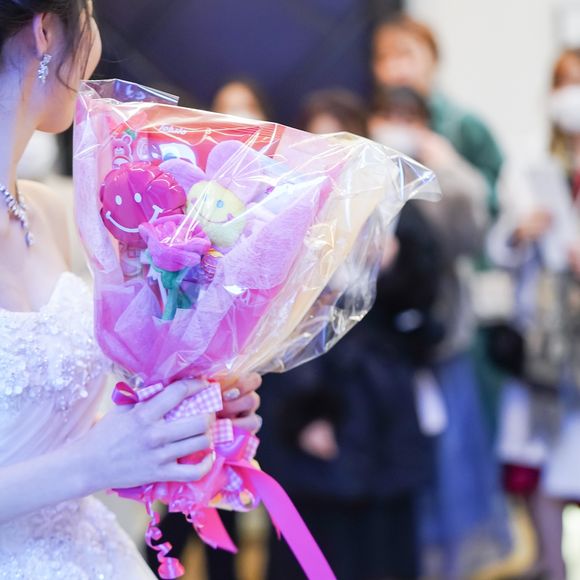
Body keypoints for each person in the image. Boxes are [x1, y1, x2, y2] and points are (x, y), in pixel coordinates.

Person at [0, 2, 261, 578]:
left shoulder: (48, 211)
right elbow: (80, 461)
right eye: (90, 13)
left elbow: (35, 437)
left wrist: (167, 426)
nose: (95, 43)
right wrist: (94, 462)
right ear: (46, 30)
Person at [258, 89, 435, 580]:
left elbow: (426, 307)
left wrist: (394, 268)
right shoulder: (286, 213)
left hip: (384, 400)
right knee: (316, 538)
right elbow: (280, 327)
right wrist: (305, 414)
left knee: (383, 538)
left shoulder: (396, 209)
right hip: (313, 393)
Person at [370, 85, 511, 578]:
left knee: (453, 465)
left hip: (442, 341)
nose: (396, 125)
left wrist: (448, 169)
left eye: (407, 117)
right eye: (388, 114)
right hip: (383, 350)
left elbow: (473, 237)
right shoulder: (367, 174)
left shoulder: (443, 177)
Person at [489, 48, 580, 580]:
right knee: (538, 455)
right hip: (542, 335)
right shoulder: (528, 157)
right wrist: (521, 232)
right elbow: (497, 244)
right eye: (565, 82)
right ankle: (551, 563)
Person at [372, 13, 503, 216]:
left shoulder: (464, 125)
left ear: (432, 58)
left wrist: (452, 167)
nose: (393, 67)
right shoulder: (372, 126)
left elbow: (495, 201)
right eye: (383, 58)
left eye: (405, 55)